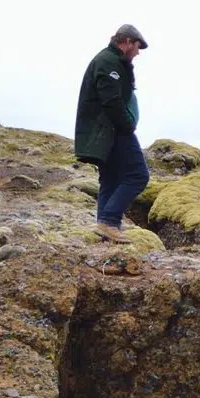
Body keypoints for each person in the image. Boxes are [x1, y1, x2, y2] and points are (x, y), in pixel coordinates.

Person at [74, 24, 150, 243]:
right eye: (137, 46)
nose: (138, 52)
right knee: (138, 175)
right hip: (111, 130)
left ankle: (104, 228)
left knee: (111, 179)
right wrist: (127, 125)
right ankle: (109, 220)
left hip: (105, 131)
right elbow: (111, 101)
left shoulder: (113, 61)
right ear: (126, 42)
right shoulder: (108, 62)